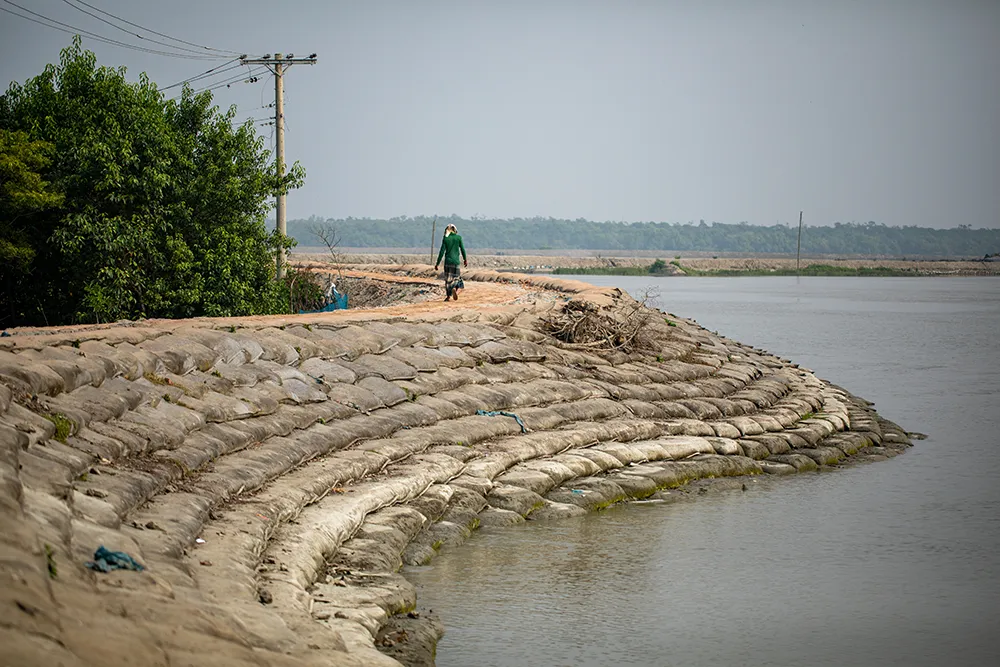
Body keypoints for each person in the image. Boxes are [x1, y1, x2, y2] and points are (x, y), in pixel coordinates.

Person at [434, 224, 468, 301]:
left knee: (448, 280)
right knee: (457, 279)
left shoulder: (445, 238)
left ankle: (448, 296)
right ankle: (456, 291)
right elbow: (462, 249)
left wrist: (437, 264)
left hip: (447, 262)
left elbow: (441, 252)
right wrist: (465, 259)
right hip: (455, 262)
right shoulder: (458, 238)